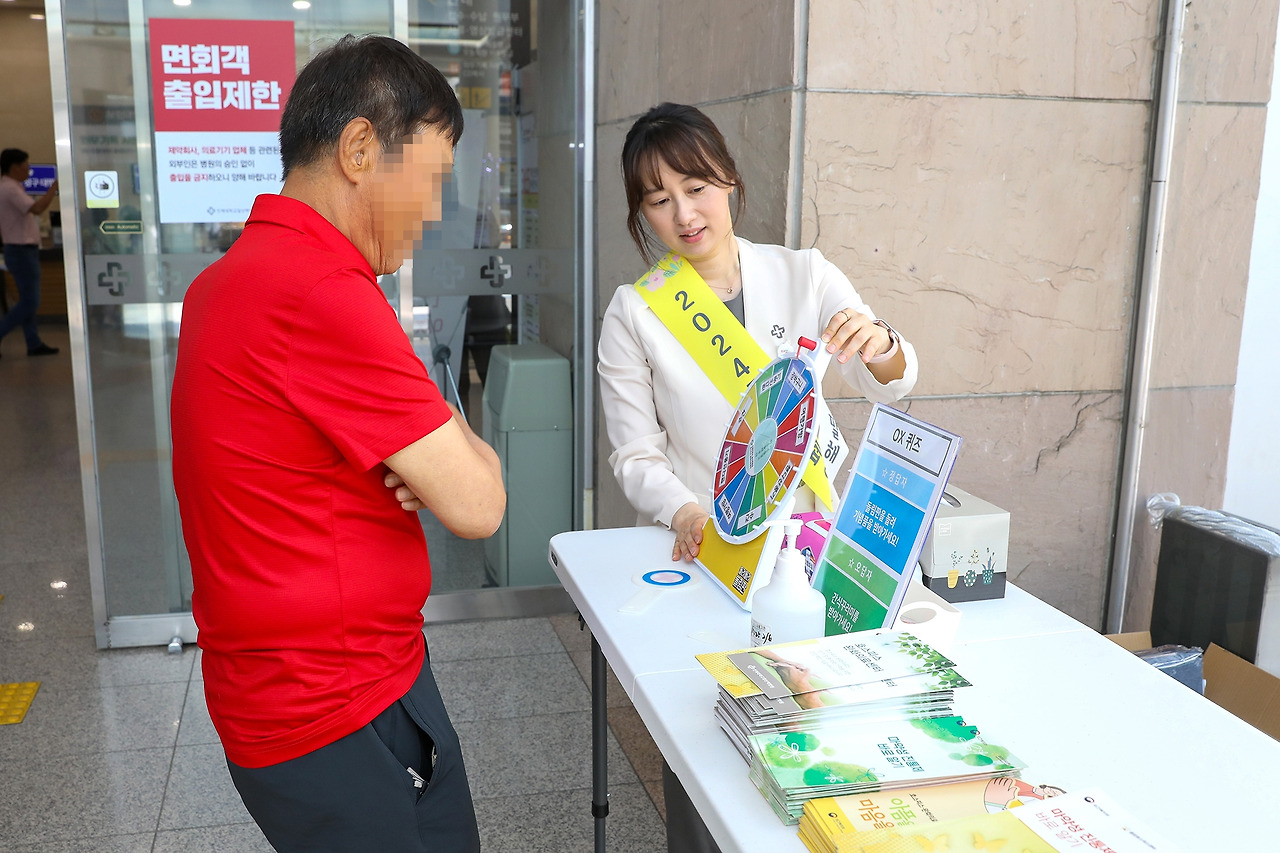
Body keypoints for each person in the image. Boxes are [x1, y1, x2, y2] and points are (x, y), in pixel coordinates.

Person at [170, 35, 504, 853]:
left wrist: (412, 448)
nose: (430, 215)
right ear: (360, 148)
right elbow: (480, 502)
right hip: (340, 704)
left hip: (288, 689)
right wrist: (440, 436)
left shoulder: (225, 281)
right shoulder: (323, 290)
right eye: (427, 182)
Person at [597, 102, 919, 853]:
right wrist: (680, 510)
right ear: (640, 212)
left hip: (813, 553)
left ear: (731, 181)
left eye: (697, 185)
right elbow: (634, 455)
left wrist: (879, 342)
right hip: (714, 557)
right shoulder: (637, 313)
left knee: (823, 748)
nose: (684, 212)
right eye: (657, 197)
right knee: (713, 753)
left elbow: (893, 380)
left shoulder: (803, 273)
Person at [0, 148, 59, 357]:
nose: (29, 169)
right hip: (21, 250)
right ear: (15, 167)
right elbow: (37, 209)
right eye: (26, 164)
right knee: (30, 301)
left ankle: (33, 343)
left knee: (27, 300)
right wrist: (54, 188)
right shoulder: (10, 189)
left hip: (21, 250)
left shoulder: (12, 187)